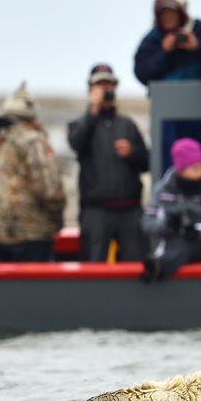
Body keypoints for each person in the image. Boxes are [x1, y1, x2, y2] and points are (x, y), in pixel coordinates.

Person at [133, 0, 201, 190]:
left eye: (172, 12)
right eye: (163, 14)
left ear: (181, 13)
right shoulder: (152, 41)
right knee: (168, 167)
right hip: (169, 120)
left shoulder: (197, 30)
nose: (168, 18)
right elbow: (142, 72)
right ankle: (168, 212)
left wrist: (198, 44)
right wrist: (164, 51)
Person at [0, 82, 66, 262]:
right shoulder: (33, 139)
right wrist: (56, 219)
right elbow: (50, 189)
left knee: (5, 287)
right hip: (31, 231)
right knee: (35, 288)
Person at [66, 63, 150, 262]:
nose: (105, 90)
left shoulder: (127, 124)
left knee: (136, 265)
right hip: (96, 211)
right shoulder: (79, 124)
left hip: (130, 210)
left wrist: (133, 152)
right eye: (100, 86)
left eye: (109, 85)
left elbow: (147, 162)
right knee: (93, 268)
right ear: (90, 90)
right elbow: (76, 143)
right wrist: (92, 111)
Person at [140, 137, 201, 282]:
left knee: (187, 244)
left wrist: (196, 233)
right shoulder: (161, 190)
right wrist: (168, 226)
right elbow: (147, 224)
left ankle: (159, 267)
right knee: (179, 243)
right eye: (195, 168)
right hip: (170, 247)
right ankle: (159, 265)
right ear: (180, 170)